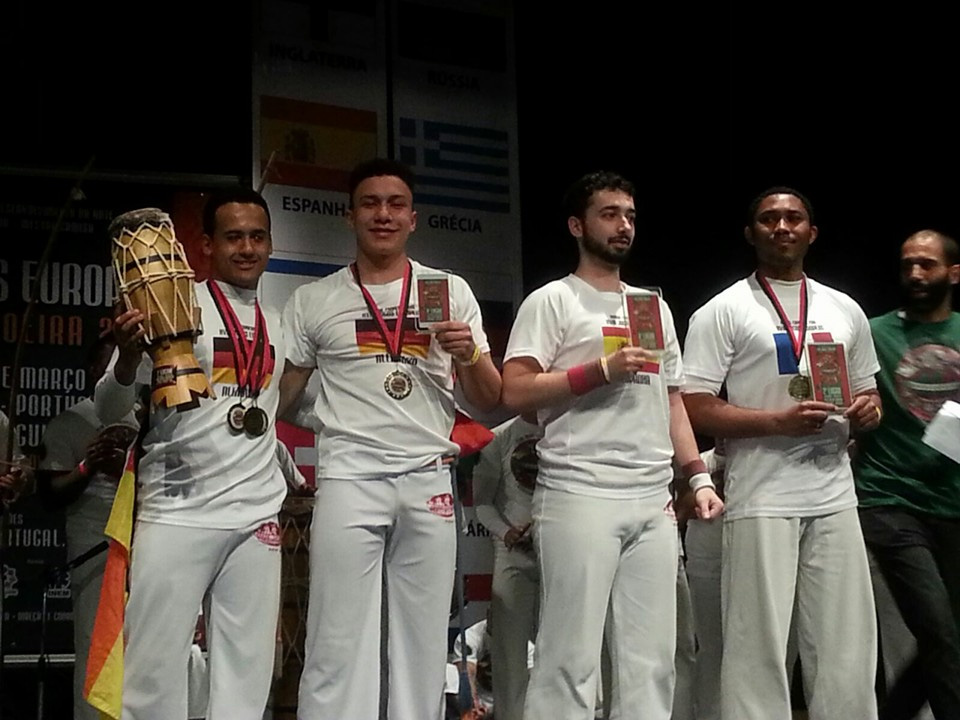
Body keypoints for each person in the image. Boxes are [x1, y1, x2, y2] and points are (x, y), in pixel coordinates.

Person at [279, 158, 501, 720]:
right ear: (350, 215)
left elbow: (488, 396)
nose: (383, 214)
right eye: (371, 203)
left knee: (422, 644)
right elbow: (281, 396)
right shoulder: (314, 300)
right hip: (350, 477)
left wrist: (469, 353)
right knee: (336, 637)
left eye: (395, 204)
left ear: (413, 218)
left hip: (428, 478)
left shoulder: (448, 291)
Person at [500, 171, 723, 720]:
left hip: (651, 496)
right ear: (577, 226)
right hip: (580, 490)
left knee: (653, 661)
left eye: (630, 215)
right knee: (570, 656)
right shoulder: (553, 300)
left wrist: (697, 476)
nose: (623, 225)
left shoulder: (653, 307)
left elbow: (671, 400)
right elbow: (515, 390)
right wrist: (598, 370)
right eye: (609, 214)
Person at [682, 187, 881, 720]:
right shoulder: (723, 310)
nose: (782, 226)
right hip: (760, 494)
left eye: (794, 217)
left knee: (847, 646)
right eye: (769, 218)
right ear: (751, 234)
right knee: (757, 647)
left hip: (834, 492)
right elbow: (694, 405)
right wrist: (776, 423)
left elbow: (869, 391)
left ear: (812, 232)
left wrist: (869, 411)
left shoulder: (844, 308)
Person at [95, 190, 287, 720]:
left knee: (246, 679)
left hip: (256, 517)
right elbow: (109, 408)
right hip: (177, 510)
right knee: (152, 674)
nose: (246, 248)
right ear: (205, 245)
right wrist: (127, 358)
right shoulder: (171, 299)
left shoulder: (281, 321)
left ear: (270, 245)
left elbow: (284, 405)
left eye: (257, 237)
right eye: (233, 237)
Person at [853, 229, 960, 720]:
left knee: (949, 637)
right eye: (907, 264)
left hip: (952, 500)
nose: (915, 274)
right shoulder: (873, 333)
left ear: (953, 274)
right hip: (890, 498)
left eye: (927, 264)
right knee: (937, 628)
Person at [37, 335, 139, 720]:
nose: (114, 371)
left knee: (145, 646)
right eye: (107, 364)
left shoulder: (150, 420)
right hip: (93, 541)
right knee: (97, 646)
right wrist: (89, 466)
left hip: (144, 536)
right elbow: (50, 495)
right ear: (94, 370)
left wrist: (126, 467)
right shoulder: (70, 422)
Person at [472, 413, 542, 720]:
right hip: (512, 552)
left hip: (557, 549)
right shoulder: (498, 438)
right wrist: (506, 532)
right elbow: (482, 502)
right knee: (509, 653)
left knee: (559, 645)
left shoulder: (565, 428)